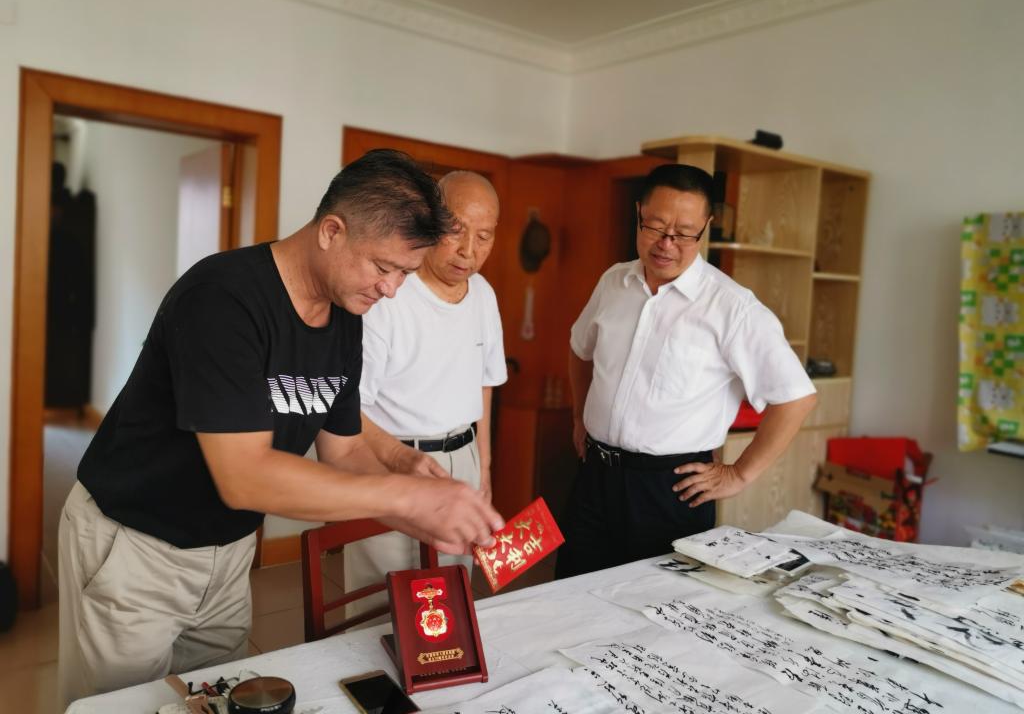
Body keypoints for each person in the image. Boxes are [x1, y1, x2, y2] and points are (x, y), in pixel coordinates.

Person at [57, 150, 504, 708]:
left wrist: (426, 514)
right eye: (383, 267)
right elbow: (244, 476)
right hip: (138, 544)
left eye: (405, 275)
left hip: (230, 552)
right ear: (332, 231)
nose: (391, 289)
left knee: (216, 701)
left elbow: (344, 453)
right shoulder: (222, 297)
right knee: (120, 705)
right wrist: (407, 496)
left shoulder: (346, 316)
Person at [555, 163, 817, 579]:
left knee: (651, 606)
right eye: (655, 227)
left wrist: (739, 473)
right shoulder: (613, 282)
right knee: (571, 591)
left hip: (671, 490)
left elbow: (796, 397)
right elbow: (580, 349)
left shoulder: (732, 307)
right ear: (638, 213)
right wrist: (578, 417)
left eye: (684, 233)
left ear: (706, 227)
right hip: (595, 475)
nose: (666, 244)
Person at [345, 171, 505, 612]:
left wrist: (484, 469)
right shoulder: (389, 293)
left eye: (484, 236)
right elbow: (347, 405)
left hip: (463, 459)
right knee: (382, 601)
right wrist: (397, 460)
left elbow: (485, 384)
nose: (468, 250)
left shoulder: (484, 295)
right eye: (456, 230)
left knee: (451, 598)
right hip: (392, 459)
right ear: (430, 221)